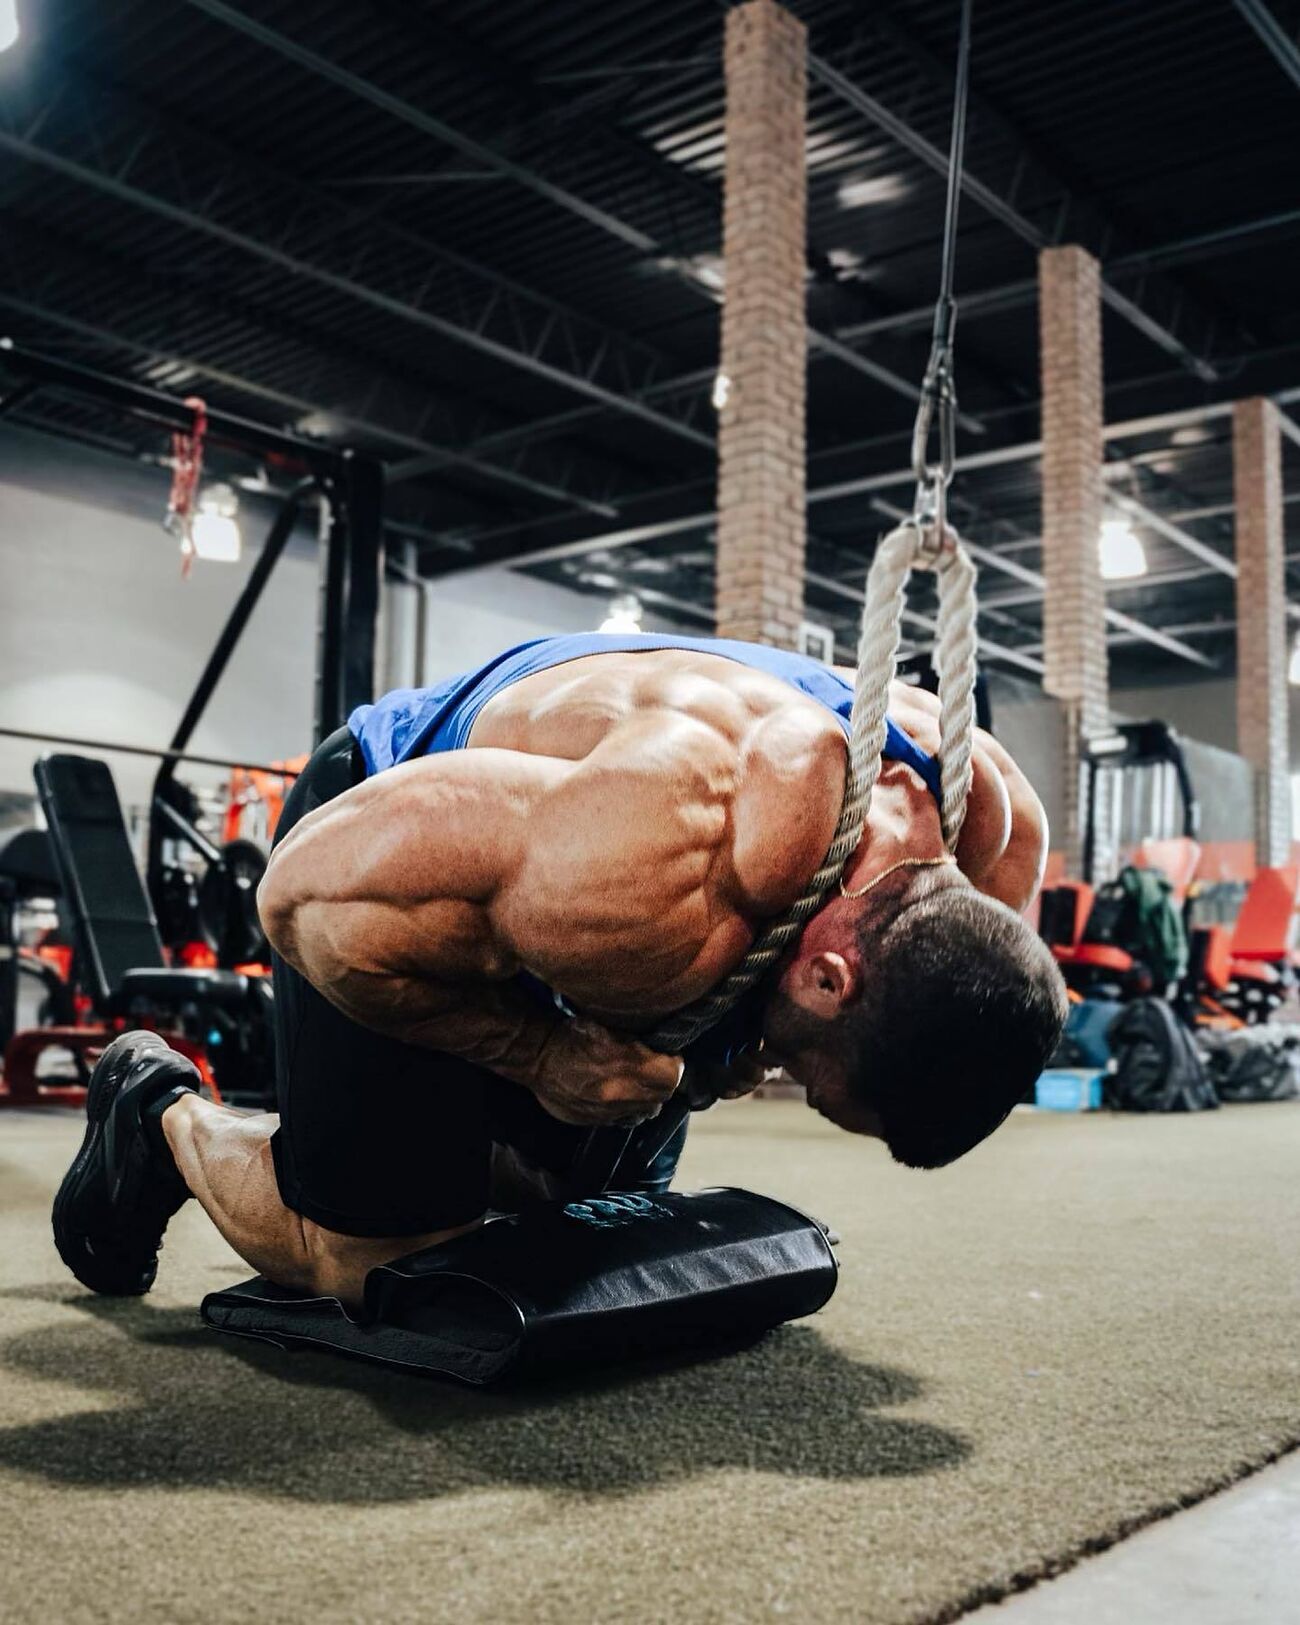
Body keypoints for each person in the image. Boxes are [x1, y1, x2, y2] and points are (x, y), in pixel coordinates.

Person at [53, 632, 1067, 1308]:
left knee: (565, 1219)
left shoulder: (993, 825)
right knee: (387, 1264)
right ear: (829, 979)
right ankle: (161, 1112)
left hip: (583, 875)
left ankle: (447, 1130)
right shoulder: (657, 862)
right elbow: (303, 900)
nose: (786, 1084)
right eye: (819, 1085)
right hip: (387, 838)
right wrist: (536, 1053)